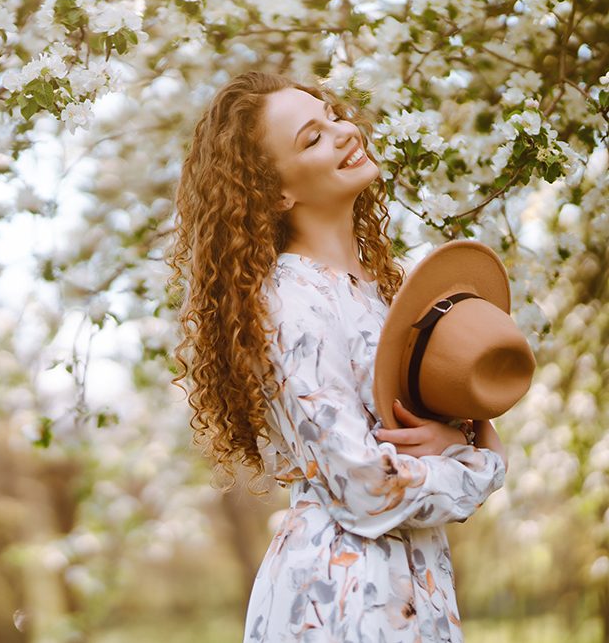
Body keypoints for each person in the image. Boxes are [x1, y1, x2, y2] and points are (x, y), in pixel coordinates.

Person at [165, 71, 508, 641]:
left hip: (410, 586)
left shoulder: (377, 293)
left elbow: (419, 440)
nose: (345, 132)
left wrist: (457, 440)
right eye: (312, 138)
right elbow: (362, 486)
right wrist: (480, 464)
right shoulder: (287, 300)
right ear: (275, 191)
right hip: (341, 598)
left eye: (333, 116)